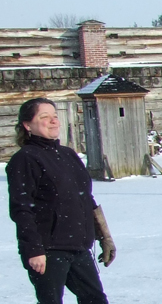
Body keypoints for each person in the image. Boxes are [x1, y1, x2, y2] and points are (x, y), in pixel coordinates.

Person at [7, 97, 116, 304]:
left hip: (78, 245)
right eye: (44, 117)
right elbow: (21, 209)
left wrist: (104, 236)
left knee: (95, 300)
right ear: (27, 125)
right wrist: (34, 250)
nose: (53, 121)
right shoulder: (25, 158)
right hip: (48, 250)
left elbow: (86, 199)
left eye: (55, 116)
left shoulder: (68, 155)